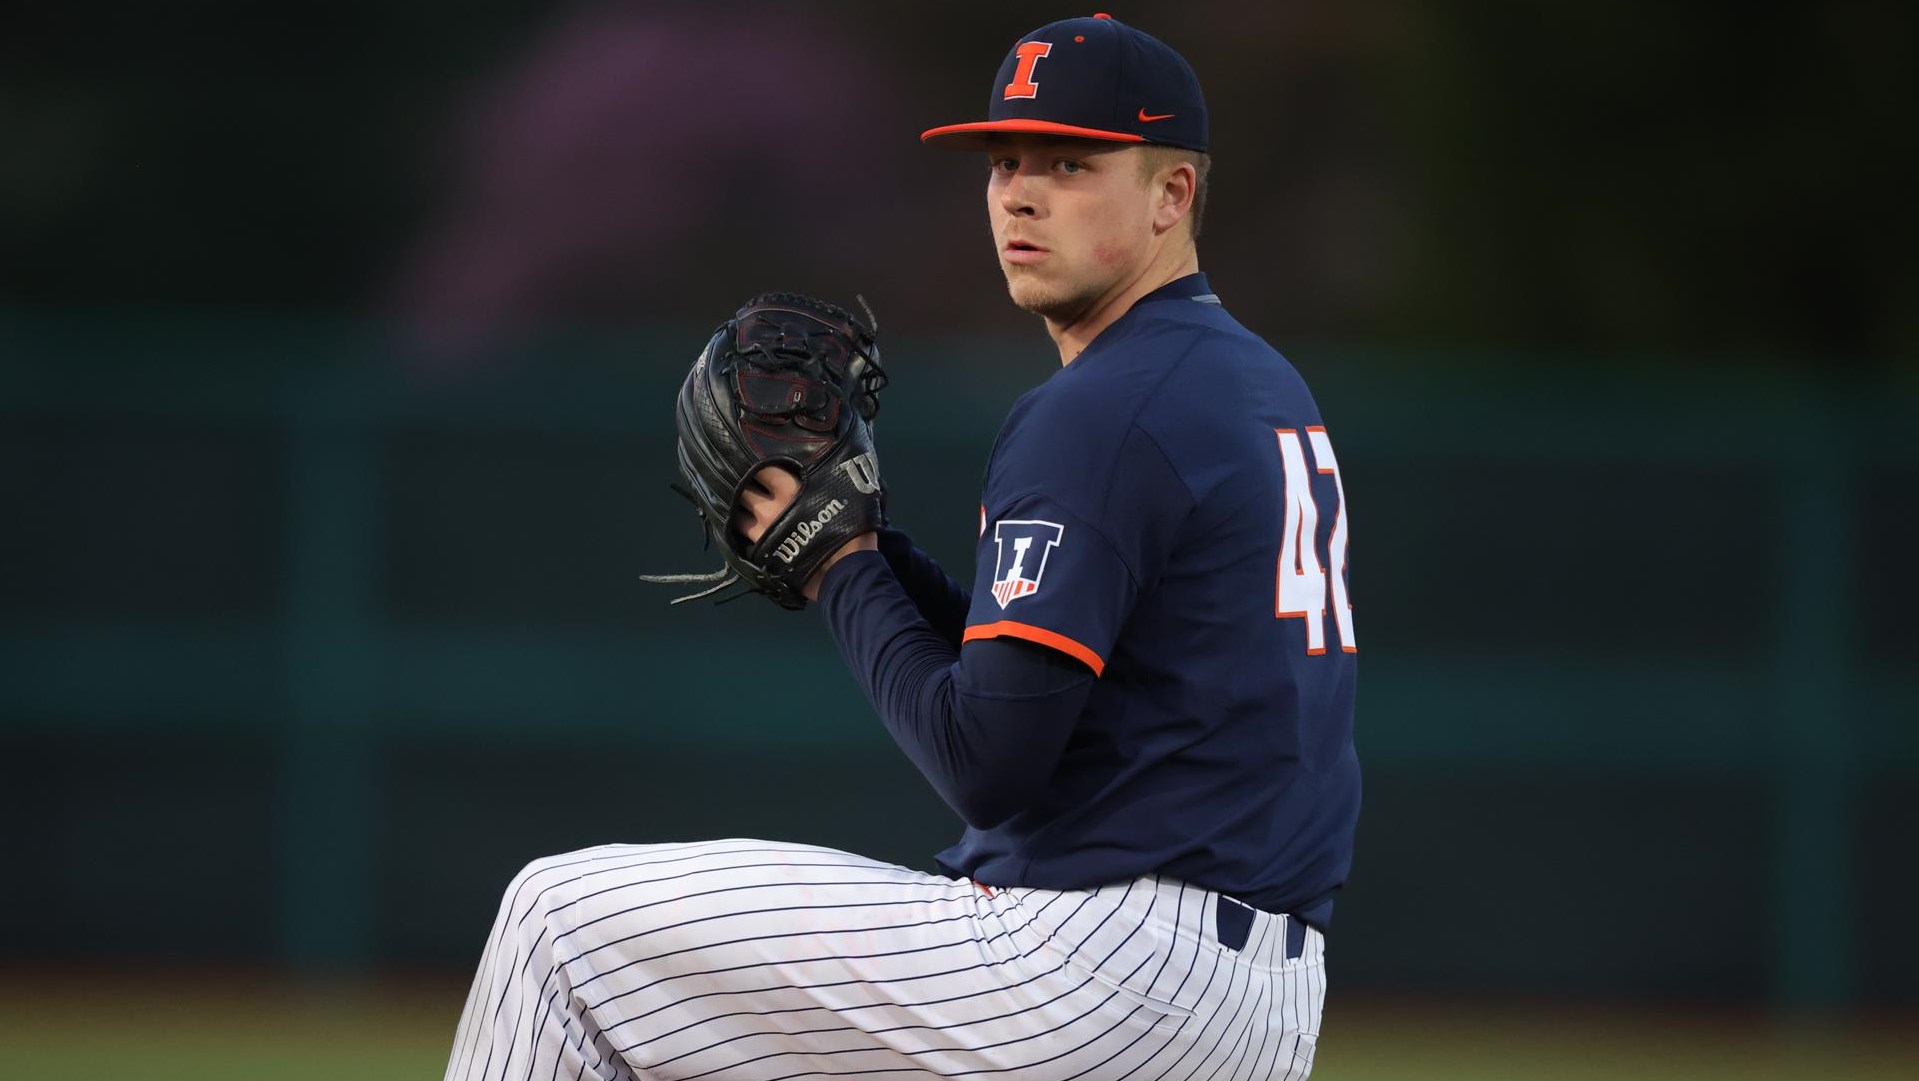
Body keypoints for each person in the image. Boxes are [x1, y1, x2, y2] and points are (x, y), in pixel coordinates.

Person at [445, 14, 1359, 1081]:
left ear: (1172, 194)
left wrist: (836, 565)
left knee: (560, 929)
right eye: (1004, 162)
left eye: (1069, 163)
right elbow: (1040, 672)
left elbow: (988, 759)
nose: (1018, 193)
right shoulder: (1250, 383)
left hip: (1095, 972)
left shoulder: (1101, 406)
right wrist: (866, 545)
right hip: (1255, 1004)